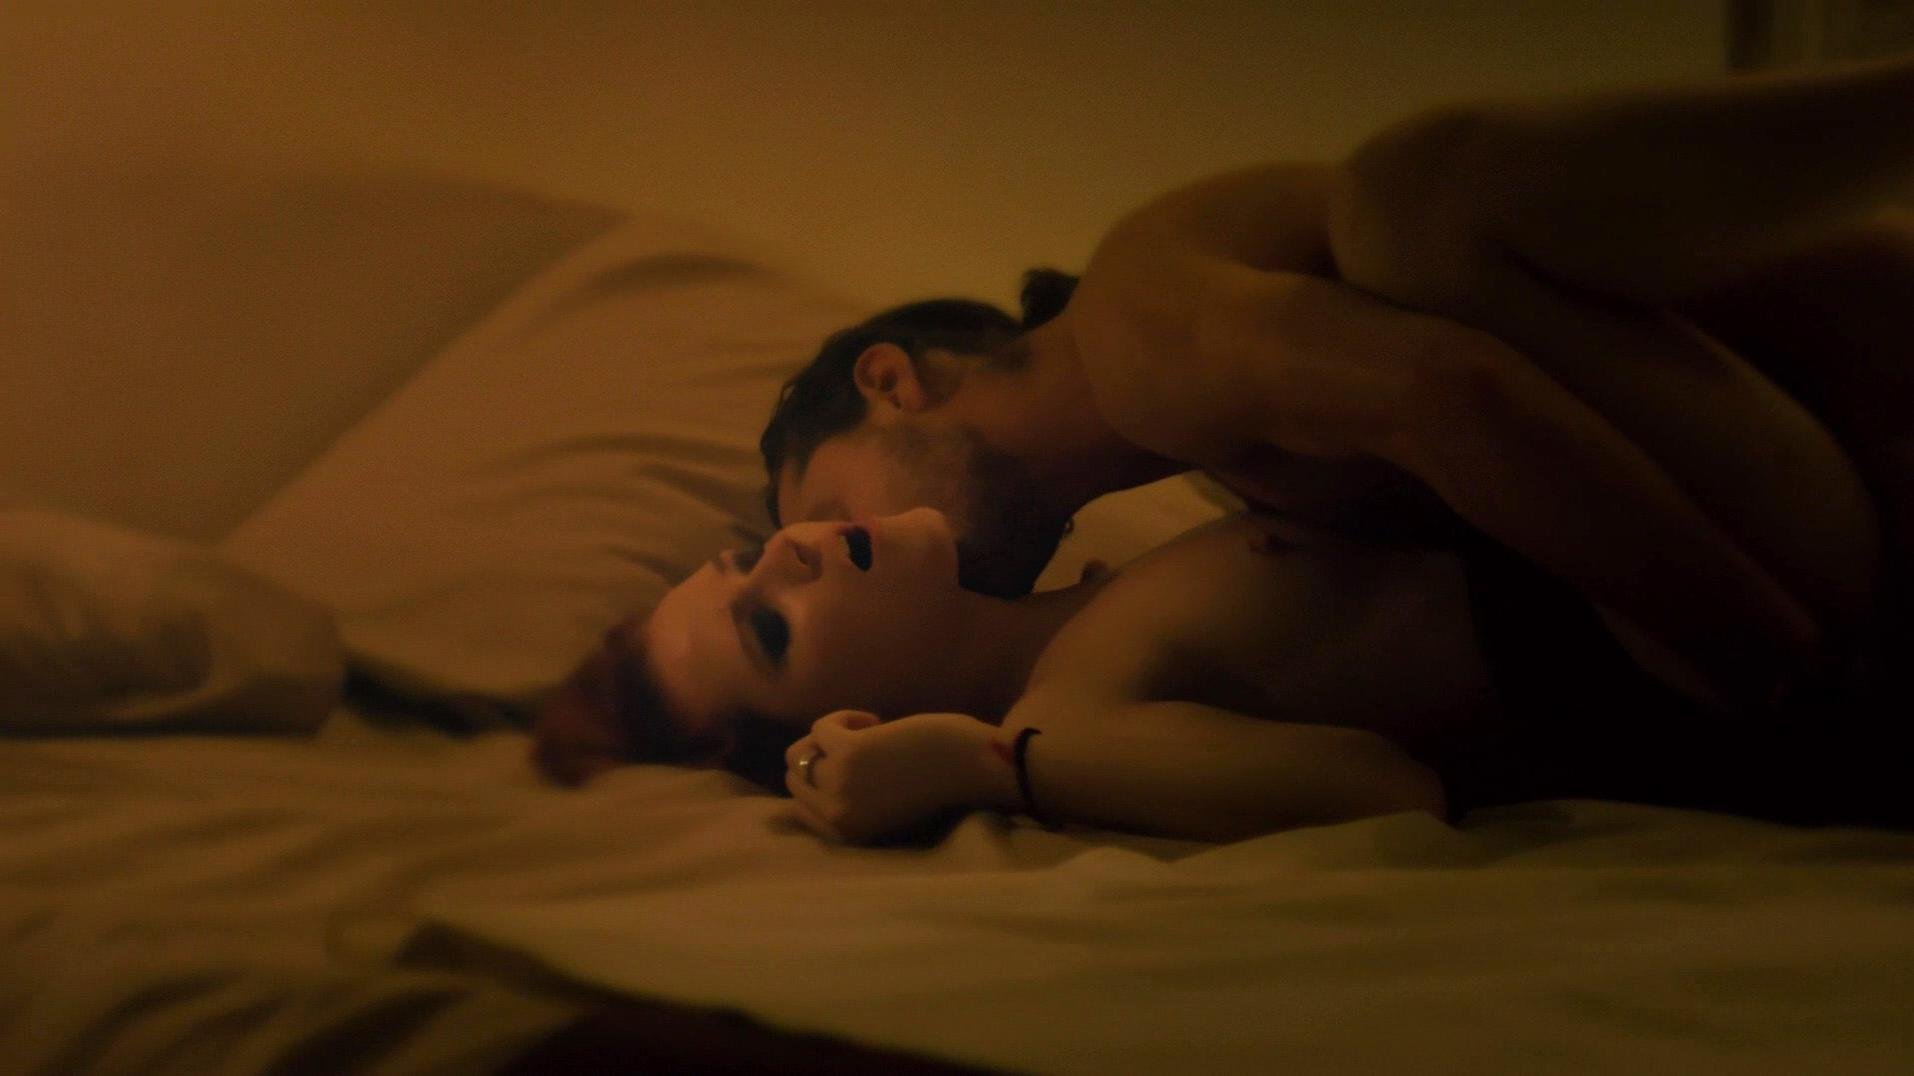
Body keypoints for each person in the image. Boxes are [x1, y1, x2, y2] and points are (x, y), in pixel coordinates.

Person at [534, 56, 1914, 839]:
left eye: (755, 547)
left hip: (1797, 479)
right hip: (1777, 638)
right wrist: (982, 764)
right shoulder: (1063, 705)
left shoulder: (1159, 384)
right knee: (1408, 207)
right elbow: (1377, 784)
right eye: (770, 628)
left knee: (1407, 211)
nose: (786, 549)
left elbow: (1458, 408)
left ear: (892, 380)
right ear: (851, 723)